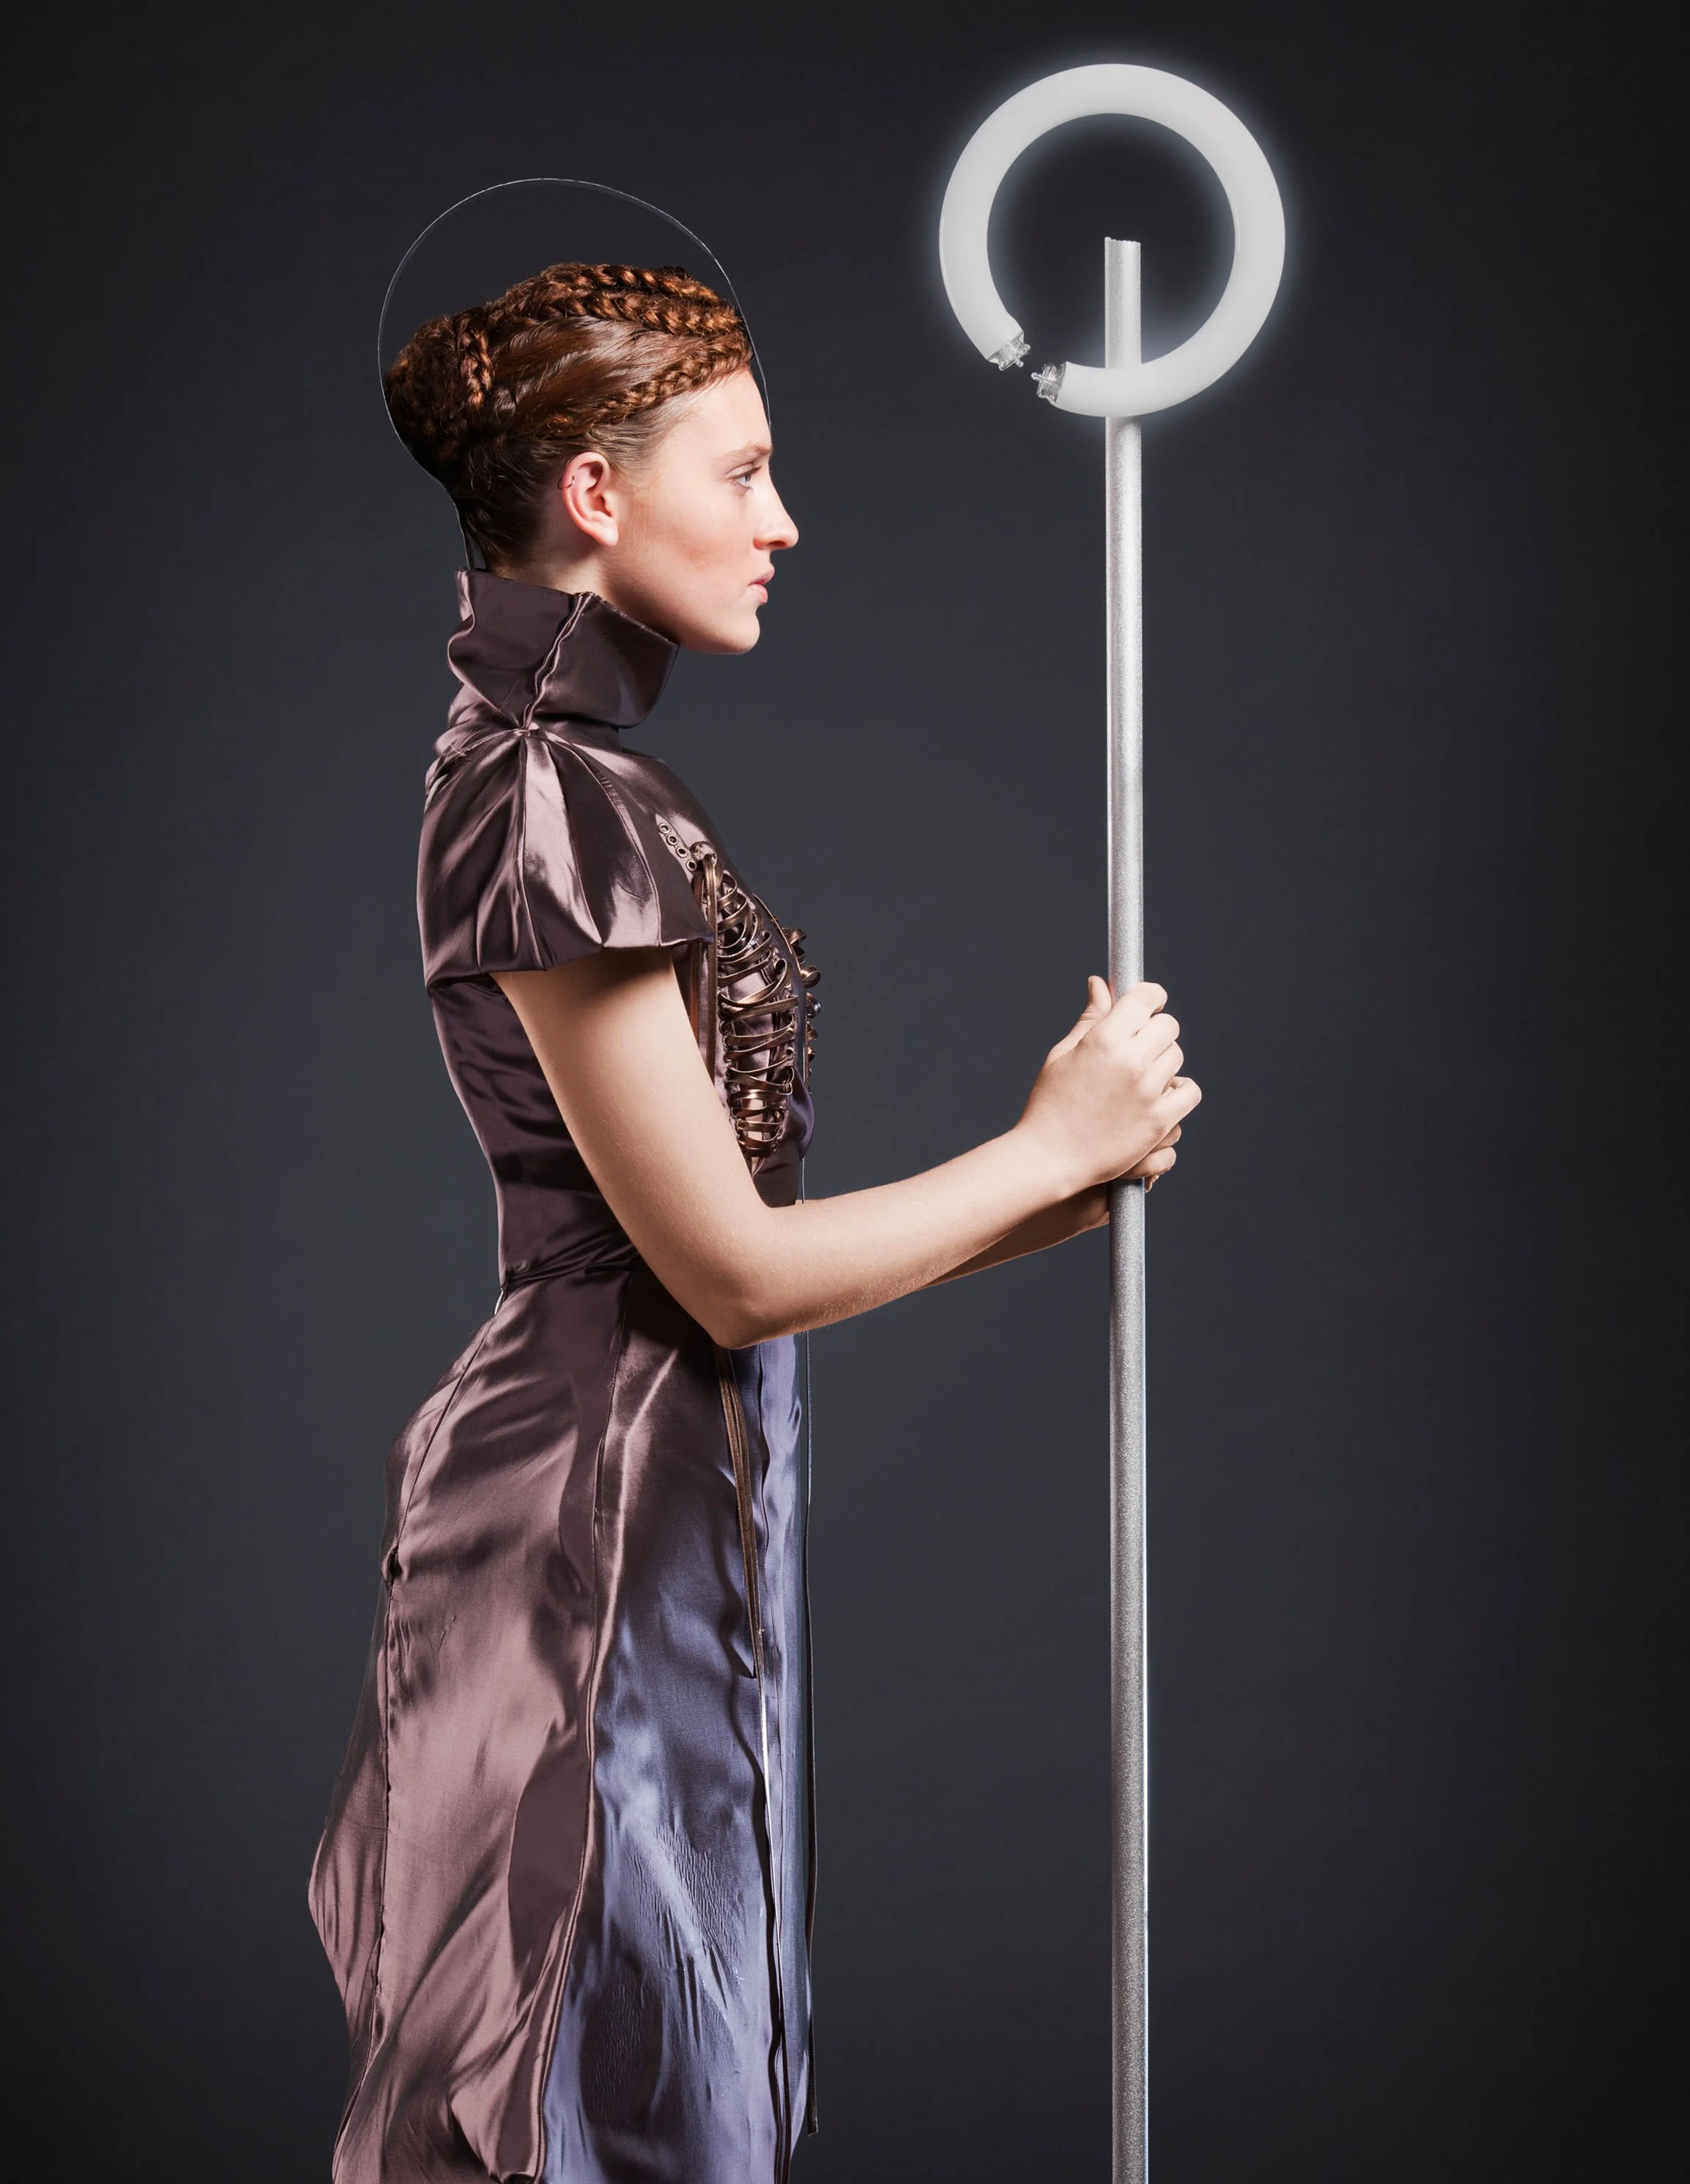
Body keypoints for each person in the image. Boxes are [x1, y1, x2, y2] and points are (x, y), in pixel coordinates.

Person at [309, 261, 1199, 2184]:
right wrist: (1042, 1151)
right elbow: (720, 1272)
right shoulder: (547, 801)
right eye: (743, 472)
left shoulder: (586, 780)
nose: (784, 521)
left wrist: (1073, 1182)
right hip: (589, 1511)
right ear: (597, 494)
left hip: (673, 1485)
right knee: (594, 2081)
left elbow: (742, 1267)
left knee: (679, 2063)